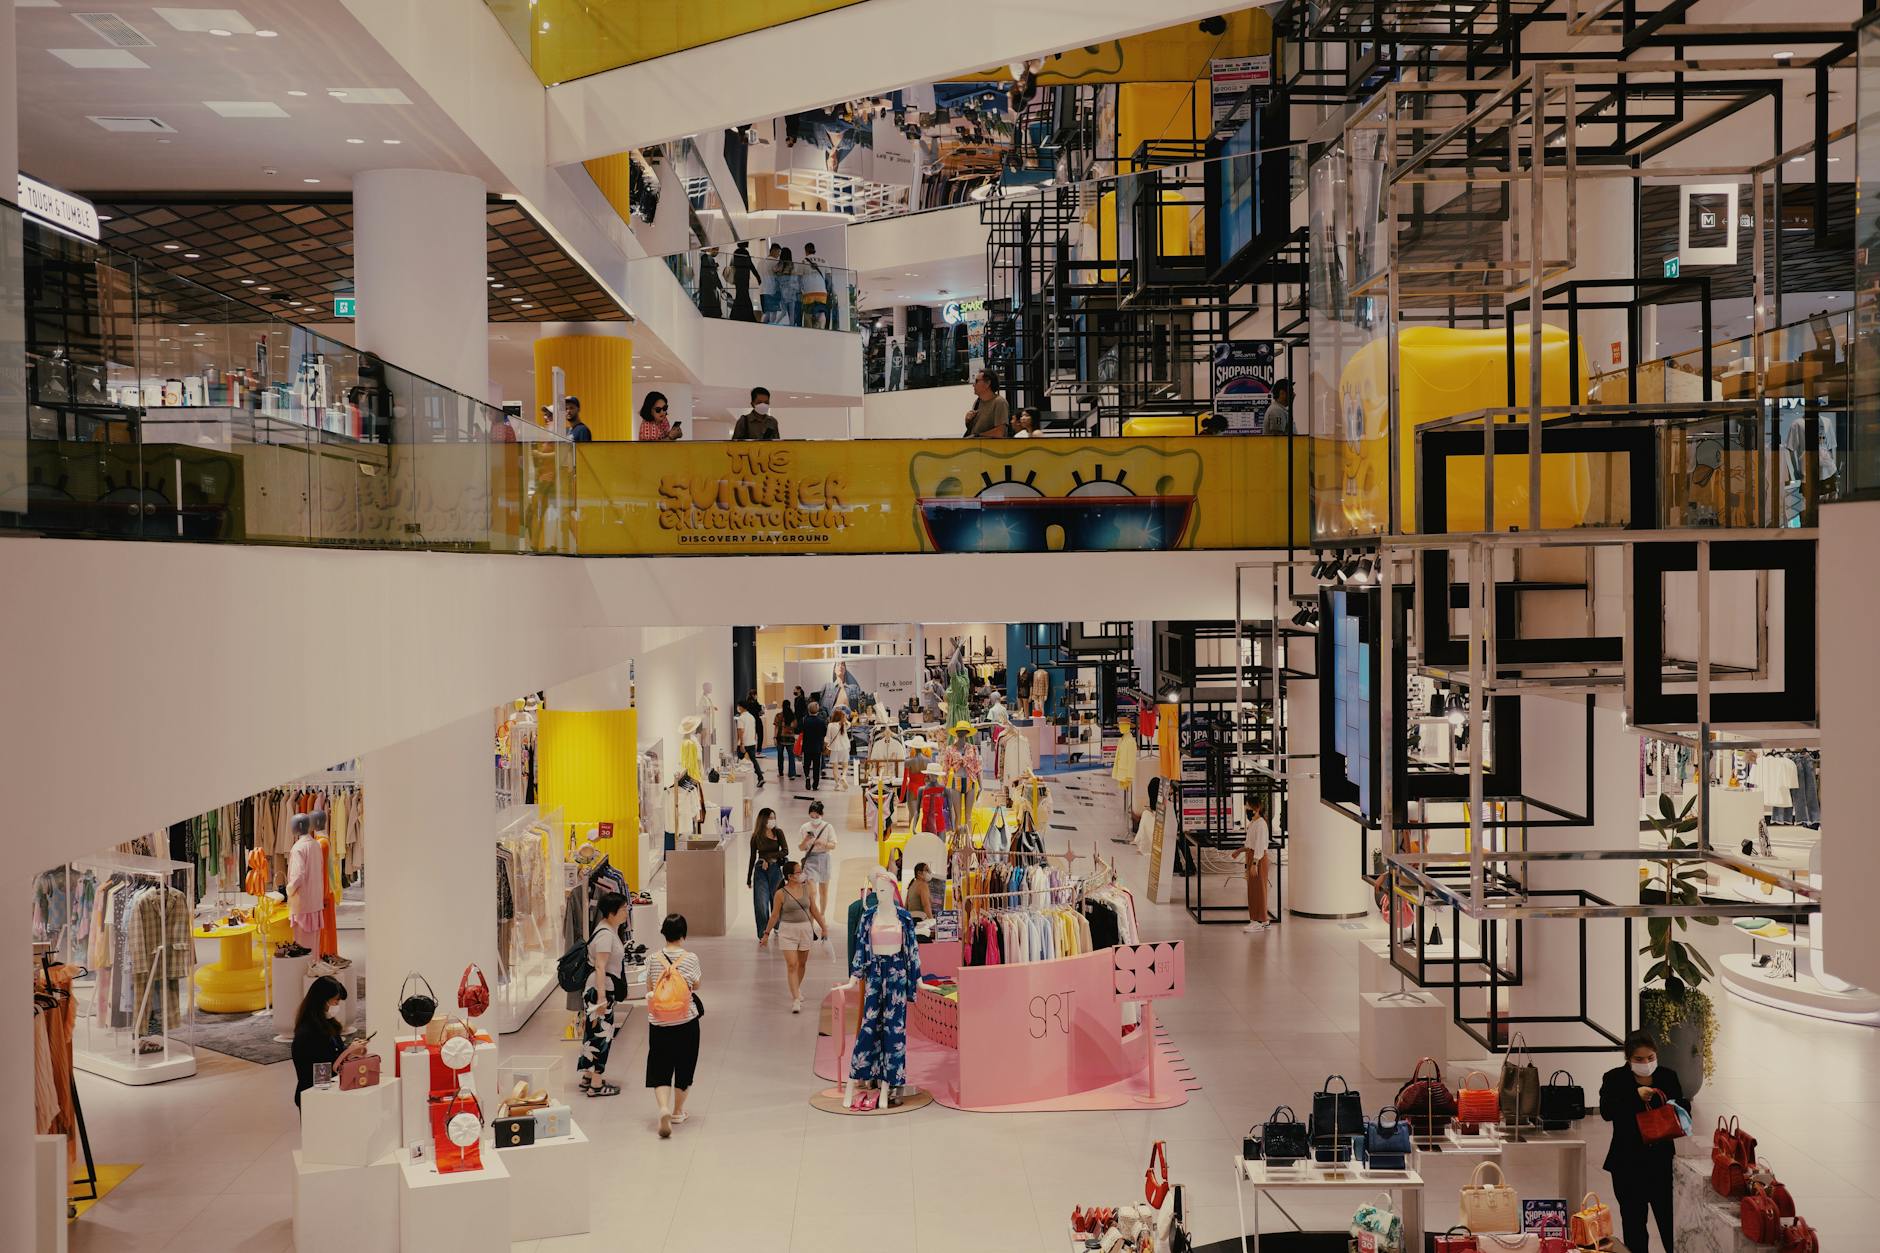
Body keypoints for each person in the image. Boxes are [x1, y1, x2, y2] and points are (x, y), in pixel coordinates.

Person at [1601, 1030, 1687, 1253]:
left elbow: (1684, 1109)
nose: (1646, 1063)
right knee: (1634, 1225)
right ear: (1628, 1058)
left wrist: (1666, 1103)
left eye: (1650, 1057)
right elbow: (1607, 1112)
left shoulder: (1667, 1076)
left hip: (1661, 1163)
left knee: (1669, 1223)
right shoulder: (1614, 1079)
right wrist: (1634, 1096)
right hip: (1627, 1164)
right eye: (1639, 1059)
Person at [646, 913, 702, 1138]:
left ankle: (663, 1108)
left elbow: (650, 987)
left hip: (659, 1022)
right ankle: (678, 1111)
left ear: (664, 934)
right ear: (683, 934)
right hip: (685, 1021)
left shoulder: (652, 959)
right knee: (684, 1065)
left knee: (660, 1067)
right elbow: (696, 985)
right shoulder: (690, 958)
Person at [577, 891, 630, 1097]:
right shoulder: (606, 935)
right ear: (611, 912)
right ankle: (596, 1085)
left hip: (597, 989)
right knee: (602, 1035)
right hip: (599, 990)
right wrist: (601, 997)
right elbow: (600, 966)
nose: (626, 912)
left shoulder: (605, 929)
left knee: (592, 1033)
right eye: (623, 909)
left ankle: (588, 1076)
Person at [760, 859, 831, 1012]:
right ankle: (796, 998)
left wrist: (824, 928)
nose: (802, 874)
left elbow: (814, 910)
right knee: (792, 965)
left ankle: (796, 988)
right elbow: (774, 915)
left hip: (805, 930)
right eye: (799, 872)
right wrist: (766, 934)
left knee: (802, 964)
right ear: (790, 876)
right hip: (787, 931)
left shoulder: (807, 889)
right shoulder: (780, 894)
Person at [291, 975, 365, 1109]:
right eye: (335, 1001)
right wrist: (348, 1052)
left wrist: (351, 1052)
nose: (337, 1005)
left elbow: (334, 1054)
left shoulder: (327, 1024)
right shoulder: (308, 1033)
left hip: (328, 1092)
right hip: (314, 1096)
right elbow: (322, 1071)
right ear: (322, 1000)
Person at [747, 808, 789, 942]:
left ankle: (777, 925)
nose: (772, 820)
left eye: (774, 818)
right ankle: (762, 933)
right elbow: (752, 857)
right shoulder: (756, 836)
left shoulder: (778, 832)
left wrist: (768, 857)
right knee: (761, 902)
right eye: (770, 818)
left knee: (777, 900)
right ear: (763, 819)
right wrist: (748, 878)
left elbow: (785, 851)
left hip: (775, 869)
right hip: (760, 870)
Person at [1233, 795, 1273, 933]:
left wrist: (1254, 864)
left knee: (1257, 890)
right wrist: (1240, 851)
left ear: (1256, 808)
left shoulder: (1261, 824)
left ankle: (1258, 921)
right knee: (1254, 890)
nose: (1246, 808)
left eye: (1248, 806)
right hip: (1252, 857)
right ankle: (1263, 920)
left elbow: (1260, 845)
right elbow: (1251, 843)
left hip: (1258, 859)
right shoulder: (1254, 823)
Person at [798, 798, 838, 916]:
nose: (814, 819)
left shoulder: (828, 827)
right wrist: (806, 840)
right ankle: (812, 914)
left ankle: (822, 914)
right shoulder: (804, 827)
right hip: (810, 859)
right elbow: (801, 848)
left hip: (824, 858)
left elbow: (833, 845)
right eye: (812, 816)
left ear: (822, 815)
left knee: (823, 891)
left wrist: (822, 843)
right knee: (812, 892)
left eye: (817, 816)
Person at [964, 369, 1010, 437]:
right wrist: (967, 421)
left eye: (976, 381)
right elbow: (973, 431)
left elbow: (1000, 433)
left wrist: (978, 436)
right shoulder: (978, 402)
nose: (973, 385)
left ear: (987, 383)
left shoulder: (999, 402)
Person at [735, 698, 766, 787]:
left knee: (739, 761)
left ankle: (738, 782)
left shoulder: (741, 718)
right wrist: (754, 741)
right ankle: (760, 777)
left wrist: (741, 743)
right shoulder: (751, 717)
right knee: (754, 761)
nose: (738, 708)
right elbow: (753, 730)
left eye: (738, 706)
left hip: (744, 743)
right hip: (751, 742)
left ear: (741, 707)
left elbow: (741, 731)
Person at [799, 699, 829, 790]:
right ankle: (815, 785)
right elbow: (824, 733)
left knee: (806, 764)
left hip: (806, 746)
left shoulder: (804, 720)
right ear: (817, 710)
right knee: (816, 766)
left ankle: (807, 777)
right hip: (817, 747)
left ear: (808, 710)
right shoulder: (821, 721)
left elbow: (799, 730)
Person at [801, 242, 830, 329]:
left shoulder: (803, 261)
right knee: (821, 312)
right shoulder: (824, 261)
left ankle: (809, 333)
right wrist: (828, 290)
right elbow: (829, 278)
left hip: (808, 293)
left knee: (808, 315)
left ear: (806, 250)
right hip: (822, 293)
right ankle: (820, 330)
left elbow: (798, 279)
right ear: (814, 249)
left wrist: (801, 291)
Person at [728, 241, 758, 322]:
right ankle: (746, 316)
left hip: (738, 278)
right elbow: (751, 265)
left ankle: (736, 315)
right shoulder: (745, 252)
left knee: (740, 295)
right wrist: (757, 277)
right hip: (744, 278)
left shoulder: (735, 252)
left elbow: (731, 265)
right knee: (744, 295)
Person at [827, 707, 851, 790]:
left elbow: (828, 738)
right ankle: (843, 777)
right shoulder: (844, 724)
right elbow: (849, 723)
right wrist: (844, 719)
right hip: (844, 747)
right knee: (845, 765)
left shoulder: (830, 725)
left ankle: (837, 784)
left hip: (834, 748)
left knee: (835, 767)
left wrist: (827, 745)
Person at [697, 247, 723, 319]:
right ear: (711, 249)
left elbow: (713, 275)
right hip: (709, 290)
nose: (717, 252)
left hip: (707, 289)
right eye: (716, 250)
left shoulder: (705, 258)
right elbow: (714, 275)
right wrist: (720, 287)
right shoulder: (706, 258)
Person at [774, 704, 799, 780]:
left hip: (780, 738)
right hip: (790, 739)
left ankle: (781, 772)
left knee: (780, 756)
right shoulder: (793, 716)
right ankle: (792, 774)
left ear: (782, 706)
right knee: (791, 756)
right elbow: (795, 727)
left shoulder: (778, 715)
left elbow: (776, 727)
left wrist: (774, 737)